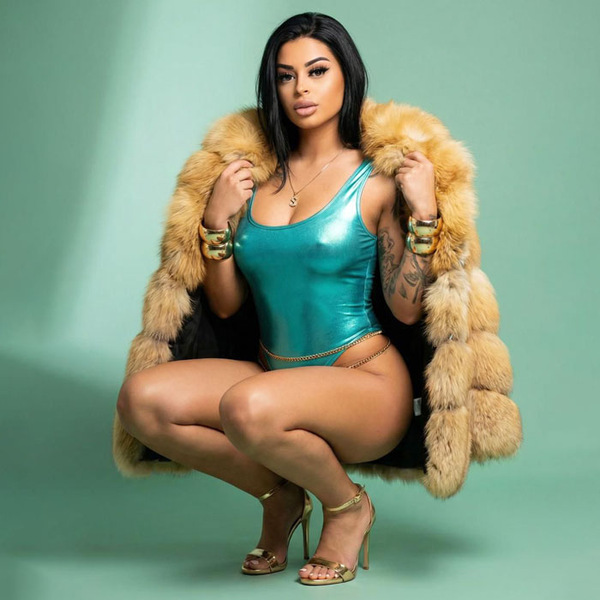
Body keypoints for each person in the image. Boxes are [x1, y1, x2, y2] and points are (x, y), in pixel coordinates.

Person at [117, 12, 444, 586]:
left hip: (365, 383)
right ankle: (281, 496)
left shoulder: (375, 181)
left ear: (347, 77)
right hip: (271, 378)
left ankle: (348, 508)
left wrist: (424, 214)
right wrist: (215, 222)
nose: (301, 89)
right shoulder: (250, 181)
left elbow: (406, 309)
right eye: (286, 76)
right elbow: (225, 307)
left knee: (247, 406)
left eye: (317, 71)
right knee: (141, 401)